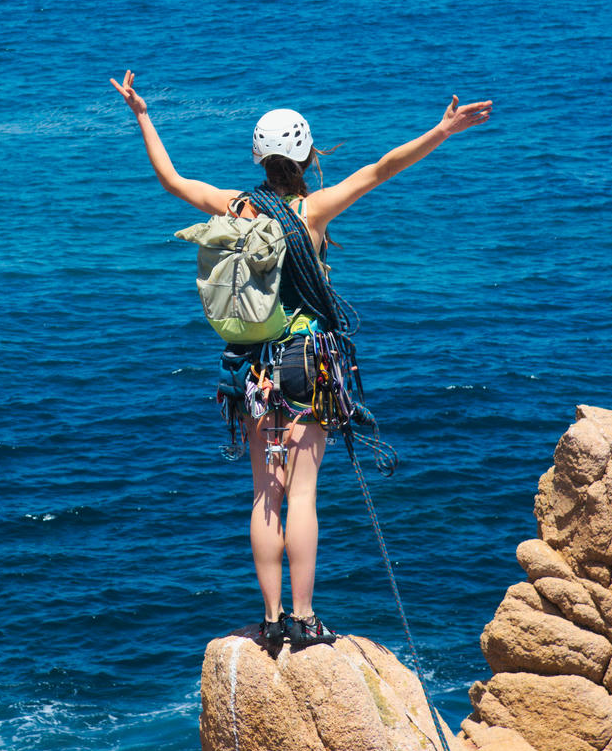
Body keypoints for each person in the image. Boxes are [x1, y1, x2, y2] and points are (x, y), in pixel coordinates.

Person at [110, 70, 492, 649]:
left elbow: (171, 179)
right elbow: (381, 169)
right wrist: (442, 129)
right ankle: (306, 619)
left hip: (251, 370)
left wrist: (142, 112)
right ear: (308, 153)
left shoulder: (234, 206)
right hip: (306, 363)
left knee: (266, 491)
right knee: (303, 494)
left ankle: (269, 620)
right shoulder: (313, 210)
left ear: (258, 156)